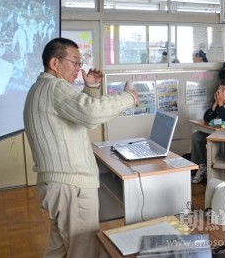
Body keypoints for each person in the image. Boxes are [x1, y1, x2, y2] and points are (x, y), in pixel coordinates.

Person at [23, 38, 140, 257]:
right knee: (83, 250)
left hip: (57, 184)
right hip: (71, 186)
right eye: (75, 62)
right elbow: (92, 113)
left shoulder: (39, 88)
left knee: (59, 249)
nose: (79, 69)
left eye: (80, 63)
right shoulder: (55, 87)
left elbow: (82, 117)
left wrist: (91, 87)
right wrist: (128, 97)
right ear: (54, 63)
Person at [191, 79, 225, 183]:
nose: (219, 92)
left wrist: (220, 104)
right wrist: (215, 104)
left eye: (223, 90)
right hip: (219, 133)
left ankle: (213, 170)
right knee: (196, 136)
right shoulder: (220, 101)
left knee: (210, 141)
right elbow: (206, 118)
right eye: (219, 89)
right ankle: (202, 166)